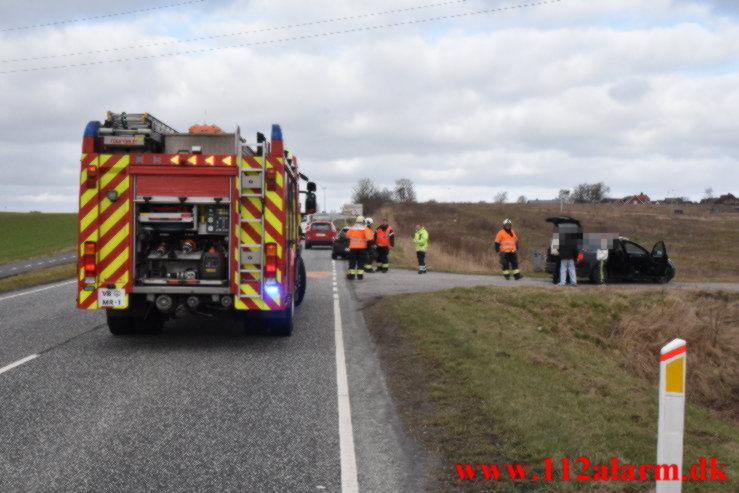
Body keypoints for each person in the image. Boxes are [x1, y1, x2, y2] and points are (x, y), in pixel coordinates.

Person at [346, 215, 374, 280]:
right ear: (363, 221)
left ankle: (351, 275)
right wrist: (370, 249)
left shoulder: (352, 228)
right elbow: (369, 239)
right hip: (362, 249)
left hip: (353, 248)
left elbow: (347, 236)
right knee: (361, 262)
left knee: (352, 262)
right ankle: (360, 275)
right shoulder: (365, 229)